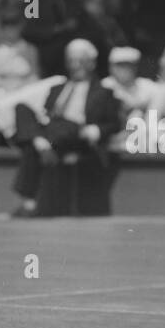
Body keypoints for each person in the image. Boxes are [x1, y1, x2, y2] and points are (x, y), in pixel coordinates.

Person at [10, 38, 122, 218]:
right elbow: (45, 114)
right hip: (53, 132)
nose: (75, 65)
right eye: (71, 60)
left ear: (91, 63)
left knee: (62, 127)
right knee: (22, 109)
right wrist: (41, 136)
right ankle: (42, 144)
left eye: (80, 60)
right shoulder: (57, 87)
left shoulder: (103, 91)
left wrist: (95, 131)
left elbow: (113, 123)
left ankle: (29, 202)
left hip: (78, 135)